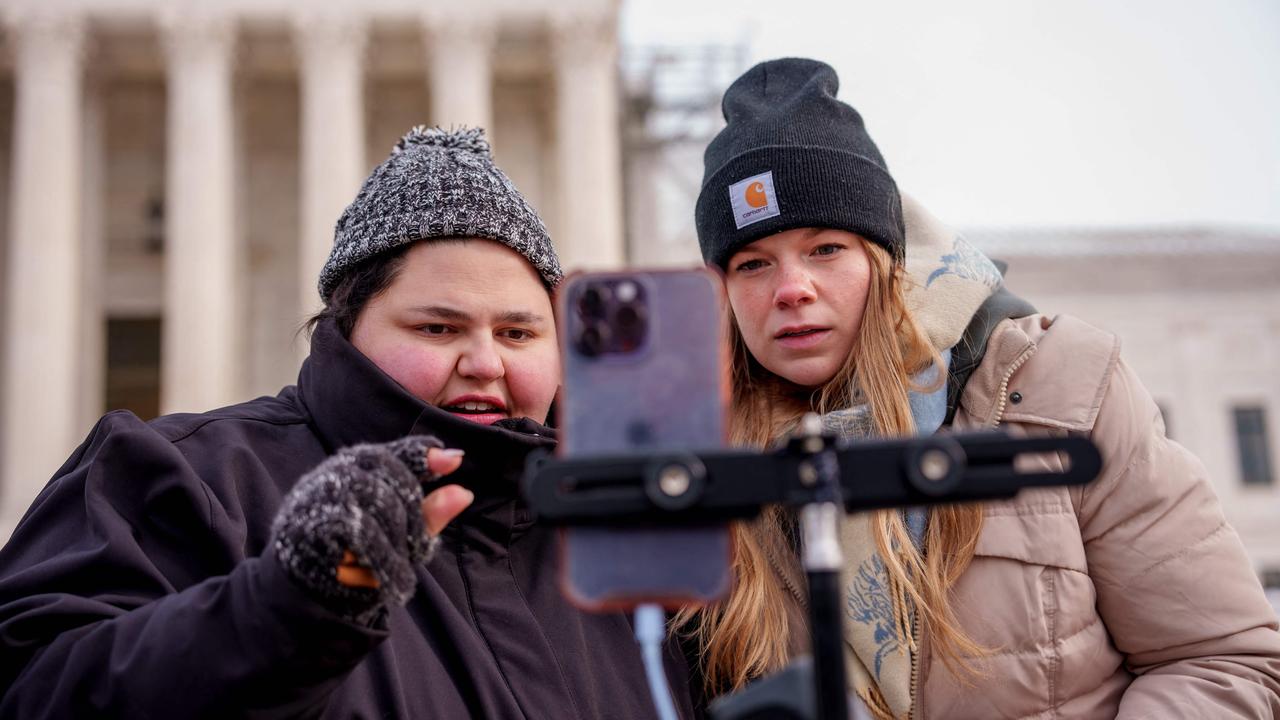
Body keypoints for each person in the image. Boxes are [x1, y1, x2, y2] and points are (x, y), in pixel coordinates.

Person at [0, 127, 696, 718]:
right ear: (346, 327)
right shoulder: (186, 476)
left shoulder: (625, 531)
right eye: (437, 327)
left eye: (518, 333)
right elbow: (35, 688)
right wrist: (281, 612)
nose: (484, 361)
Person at [680, 58, 1280, 719]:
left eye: (825, 249)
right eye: (753, 263)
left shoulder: (1063, 385)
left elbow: (1224, 661)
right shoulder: (700, 463)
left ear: (884, 261)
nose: (792, 289)